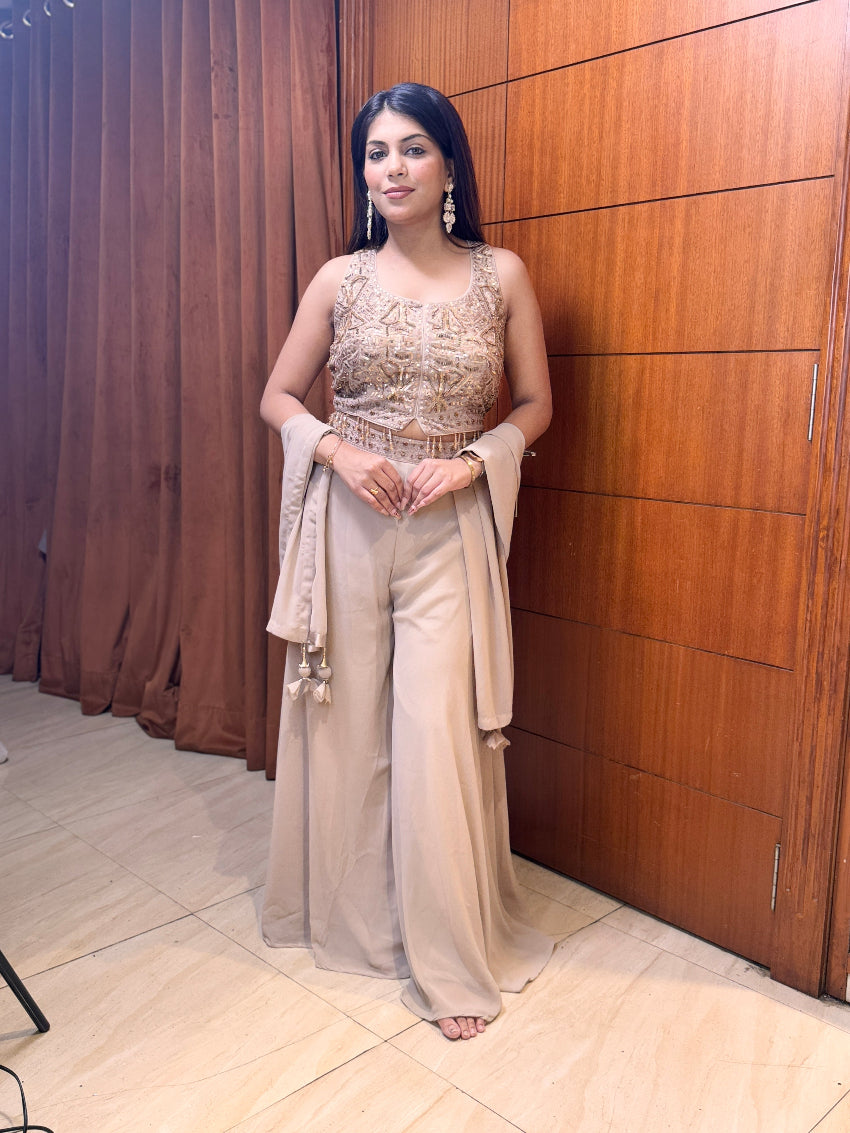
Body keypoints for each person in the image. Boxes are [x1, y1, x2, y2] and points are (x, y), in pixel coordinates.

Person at [259, 82, 554, 1041]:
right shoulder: (337, 281)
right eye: (377, 152)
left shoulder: (501, 276)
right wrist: (338, 451)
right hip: (348, 522)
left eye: (413, 148)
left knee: (436, 733)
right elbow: (278, 396)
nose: (392, 168)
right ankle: (359, 923)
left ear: (449, 164)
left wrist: (472, 463)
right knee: (345, 725)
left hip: (449, 526)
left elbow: (536, 405)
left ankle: (448, 958)